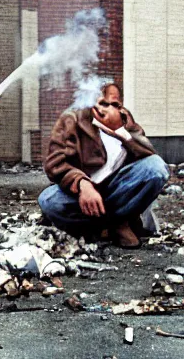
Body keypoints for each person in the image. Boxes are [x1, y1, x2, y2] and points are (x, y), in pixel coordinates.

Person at [38, 83, 170, 248]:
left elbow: (148, 153)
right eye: (103, 103)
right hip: (81, 194)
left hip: (116, 190)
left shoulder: (124, 119)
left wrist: (121, 132)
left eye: (115, 105)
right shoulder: (72, 119)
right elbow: (54, 163)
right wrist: (81, 183)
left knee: (156, 168)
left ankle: (116, 223)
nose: (109, 109)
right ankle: (104, 226)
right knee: (49, 200)